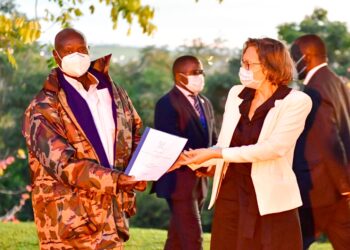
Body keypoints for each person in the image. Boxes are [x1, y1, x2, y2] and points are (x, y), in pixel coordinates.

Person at [174, 38, 312, 250]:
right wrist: (193, 158)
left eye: (249, 64)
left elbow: (273, 148)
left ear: (269, 66)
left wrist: (218, 154)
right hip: (230, 199)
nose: (243, 69)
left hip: (271, 204)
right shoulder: (236, 94)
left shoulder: (296, 101)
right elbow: (223, 144)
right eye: (242, 62)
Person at [22, 28, 146, 250]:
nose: (76, 56)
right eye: (68, 51)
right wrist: (117, 180)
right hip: (69, 224)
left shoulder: (113, 92)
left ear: (89, 50)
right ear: (55, 56)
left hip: (111, 218)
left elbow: (135, 130)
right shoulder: (42, 108)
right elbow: (63, 164)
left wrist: (144, 166)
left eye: (80, 49)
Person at [151, 55, 217, 250]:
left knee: (177, 240)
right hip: (178, 183)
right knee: (193, 239)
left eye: (201, 72)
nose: (200, 76)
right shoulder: (166, 104)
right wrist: (201, 161)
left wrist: (213, 162)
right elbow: (172, 144)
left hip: (199, 182)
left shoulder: (205, 102)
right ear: (180, 77)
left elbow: (213, 138)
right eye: (195, 73)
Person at [291, 34, 350, 250]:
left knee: (294, 243)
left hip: (316, 190)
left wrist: (344, 185)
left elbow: (330, 141)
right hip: (337, 190)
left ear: (305, 57)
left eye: (293, 56)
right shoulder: (337, 81)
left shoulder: (314, 89)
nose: (291, 63)